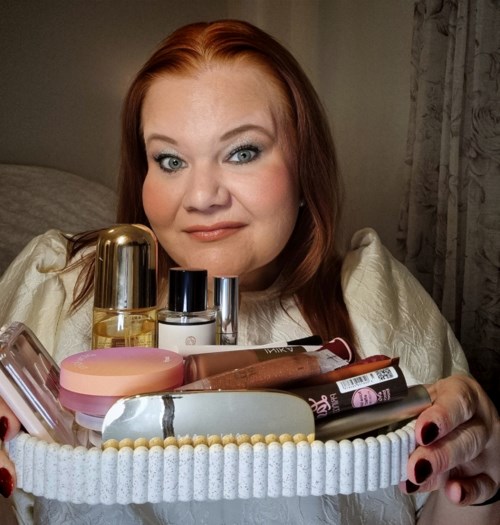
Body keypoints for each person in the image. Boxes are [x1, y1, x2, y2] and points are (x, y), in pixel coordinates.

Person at [0, 19, 498, 525]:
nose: (202, 197)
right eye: (169, 160)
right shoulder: (60, 285)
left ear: (305, 167)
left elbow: (448, 499)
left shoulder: (371, 296)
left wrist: (486, 475)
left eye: (243, 152)